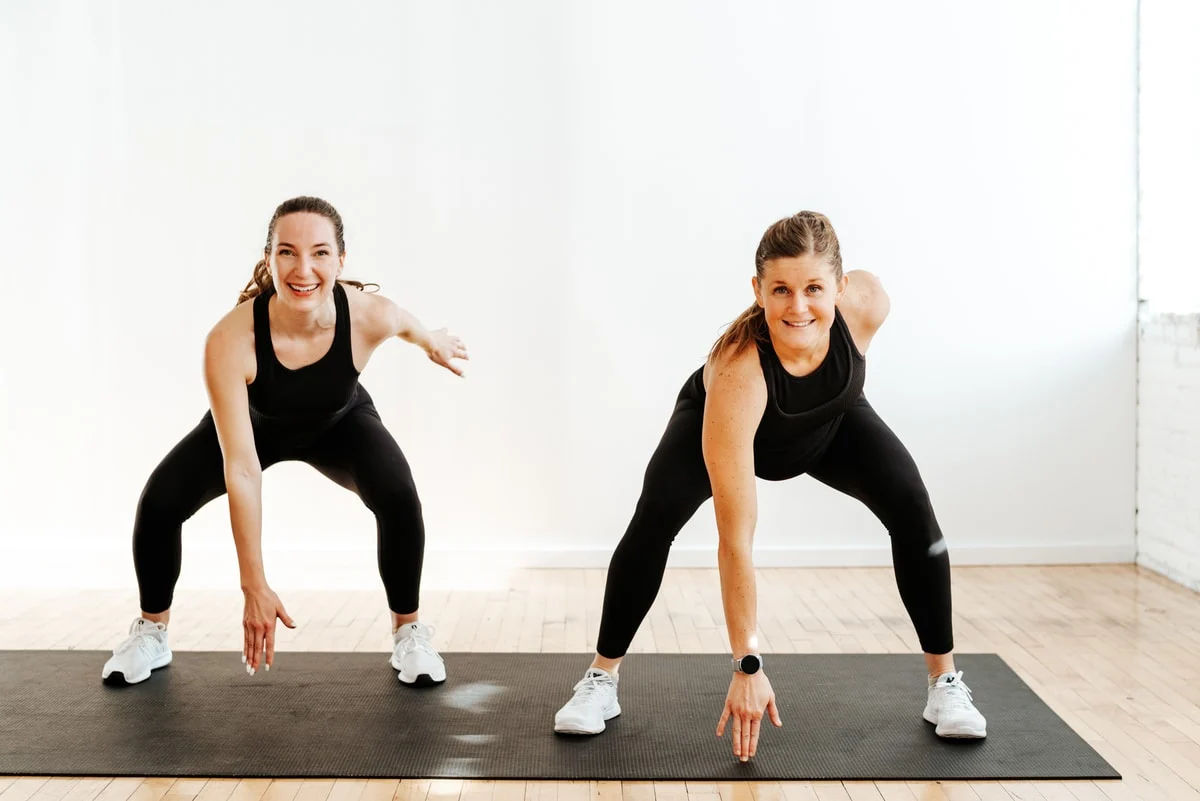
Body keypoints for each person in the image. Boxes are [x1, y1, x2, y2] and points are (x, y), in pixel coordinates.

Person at [552, 211, 987, 758]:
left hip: (829, 425)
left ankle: (944, 685)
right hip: (729, 428)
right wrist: (747, 662)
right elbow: (736, 539)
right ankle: (601, 680)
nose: (798, 306)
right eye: (780, 289)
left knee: (912, 508)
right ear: (757, 290)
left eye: (813, 288)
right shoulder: (739, 372)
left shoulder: (868, 306)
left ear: (842, 287)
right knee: (653, 523)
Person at [101, 196, 468, 688]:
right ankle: (151, 632)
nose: (303, 268)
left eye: (320, 253)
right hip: (255, 425)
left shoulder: (367, 315)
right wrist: (253, 581)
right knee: (161, 502)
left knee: (399, 497)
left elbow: (406, 324)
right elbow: (243, 468)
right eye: (287, 252)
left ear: (341, 260)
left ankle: (410, 634)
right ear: (269, 258)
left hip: (340, 424)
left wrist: (434, 342)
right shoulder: (231, 340)